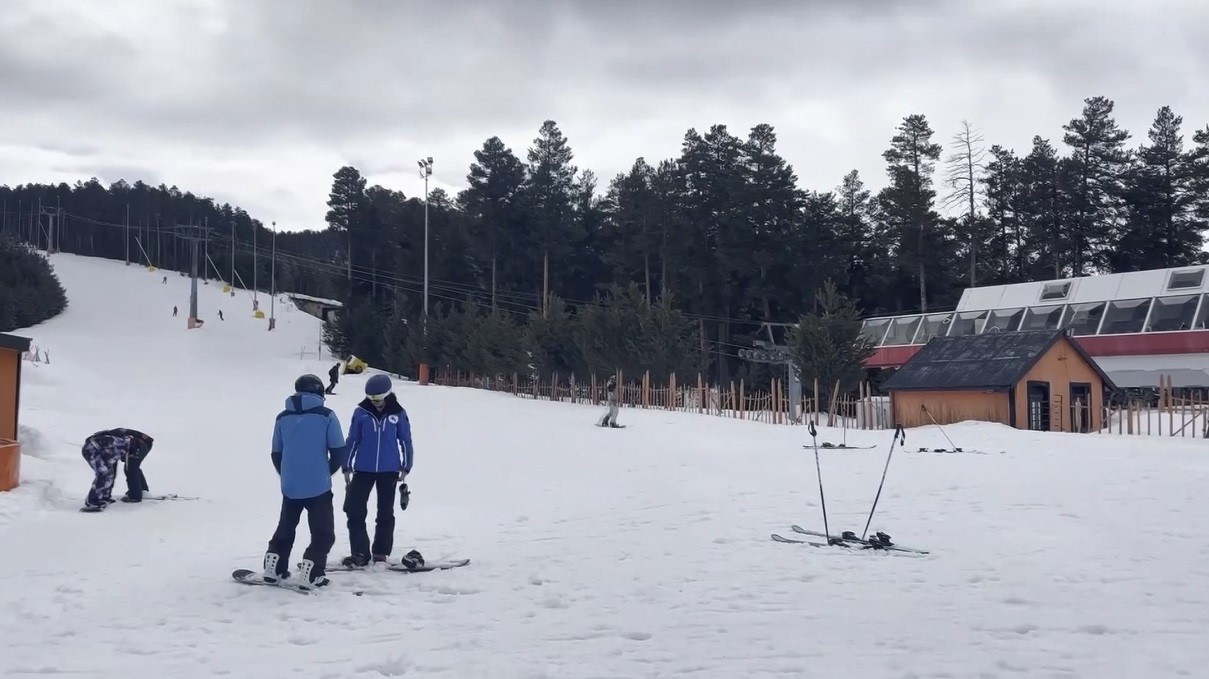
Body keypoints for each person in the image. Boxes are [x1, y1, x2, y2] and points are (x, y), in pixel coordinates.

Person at [262, 374, 346, 589]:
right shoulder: (326, 415)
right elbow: (338, 450)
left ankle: (274, 565)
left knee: (286, 526)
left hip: (290, 484)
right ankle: (312, 570)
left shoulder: (282, 417)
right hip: (318, 484)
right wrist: (327, 472)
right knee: (322, 532)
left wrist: (287, 474)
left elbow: (276, 452)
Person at [340, 374, 415, 568]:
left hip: (389, 470)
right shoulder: (361, 413)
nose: (376, 403)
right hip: (362, 470)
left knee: (385, 513)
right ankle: (359, 553)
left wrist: (406, 466)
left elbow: (405, 441)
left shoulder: (398, 414)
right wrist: (346, 466)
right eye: (372, 400)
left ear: (388, 395)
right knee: (354, 511)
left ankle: (381, 552)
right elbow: (352, 440)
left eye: (379, 399)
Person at [79, 428, 153, 512]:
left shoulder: (126, 442)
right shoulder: (121, 444)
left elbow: (114, 459)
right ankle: (94, 502)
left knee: (112, 472)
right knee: (104, 473)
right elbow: (112, 458)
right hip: (91, 451)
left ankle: (105, 497)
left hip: (102, 450)